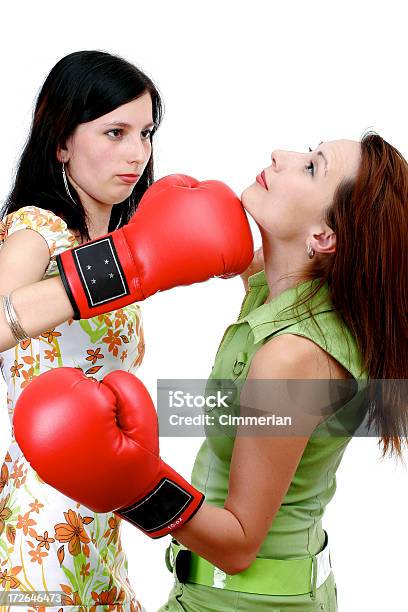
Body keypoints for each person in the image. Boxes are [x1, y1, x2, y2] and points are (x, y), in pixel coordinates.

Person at [13, 133, 408, 611]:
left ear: (323, 239)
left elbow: (239, 544)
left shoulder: (291, 359)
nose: (281, 155)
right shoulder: (290, 293)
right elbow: (243, 262)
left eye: (311, 167)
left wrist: (135, 486)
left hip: (244, 601)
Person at [0, 49, 253, 611]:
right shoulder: (37, 231)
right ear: (62, 140)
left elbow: (256, 264)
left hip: (104, 510)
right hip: (41, 521)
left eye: (145, 133)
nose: (137, 152)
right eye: (114, 132)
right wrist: (111, 271)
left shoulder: (125, 239)